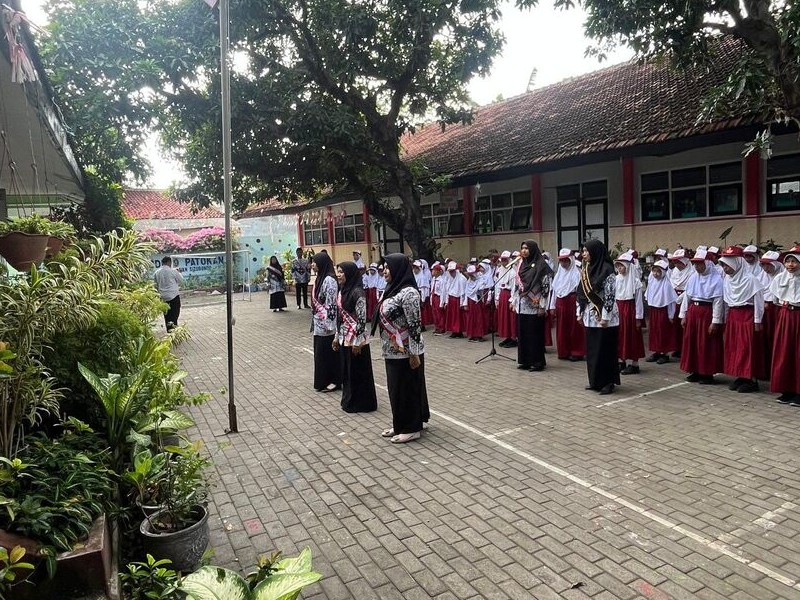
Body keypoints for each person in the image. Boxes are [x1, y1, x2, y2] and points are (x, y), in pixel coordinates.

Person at [371, 253, 429, 443]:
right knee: (396, 389)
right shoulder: (391, 289)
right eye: (384, 267)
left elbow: (415, 325)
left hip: (407, 352)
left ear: (398, 269)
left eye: (388, 267)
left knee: (406, 390)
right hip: (391, 350)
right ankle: (400, 424)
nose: (385, 271)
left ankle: (411, 428)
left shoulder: (409, 293)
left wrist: (413, 353)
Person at [719, 245, 765, 393]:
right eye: (723, 265)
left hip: (747, 316)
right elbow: (727, 301)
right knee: (735, 347)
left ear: (737, 263)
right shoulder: (728, 279)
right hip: (734, 316)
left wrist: (757, 320)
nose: (725, 269)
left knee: (747, 348)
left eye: (727, 265)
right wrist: (725, 319)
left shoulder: (751, 280)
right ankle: (740, 375)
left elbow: (759, 301)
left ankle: (751, 379)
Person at [333, 261, 378, 412]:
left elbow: (361, 319)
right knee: (347, 371)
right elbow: (340, 317)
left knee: (358, 371)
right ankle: (349, 400)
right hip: (344, 337)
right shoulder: (342, 291)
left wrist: (358, 342)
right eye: (338, 272)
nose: (338, 275)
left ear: (350, 274)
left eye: (341, 272)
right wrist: (336, 336)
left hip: (356, 339)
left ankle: (362, 403)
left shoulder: (358, 293)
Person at [577, 239, 620, 395]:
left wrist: (605, 317)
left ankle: (608, 382)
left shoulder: (607, 270)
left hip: (605, 317)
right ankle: (595, 381)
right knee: (593, 350)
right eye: (583, 251)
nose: (584, 254)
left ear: (595, 252)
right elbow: (581, 293)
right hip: (590, 315)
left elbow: (610, 296)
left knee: (605, 350)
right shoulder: (586, 269)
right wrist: (579, 312)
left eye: (586, 251)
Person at [679, 247, 724, 385]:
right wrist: (683, 314)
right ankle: (695, 370)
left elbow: (718, 301)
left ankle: (707, 373)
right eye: (695, 263)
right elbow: (687, 297)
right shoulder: (693, 278)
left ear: (708, 263)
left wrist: (715, 321)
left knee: (706, 343)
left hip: (706, 313)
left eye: (700, 263)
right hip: (693, 311)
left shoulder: (717, 280)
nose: (697, 266)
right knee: (692, 341)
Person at [511, 240, 552, 372]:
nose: (524, 251)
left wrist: (542, 306)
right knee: (523, 334)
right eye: (522, 248)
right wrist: (514, 301)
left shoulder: (541, 265)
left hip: (535, 304)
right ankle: (525, 360)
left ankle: (537, 362)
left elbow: (546, 287)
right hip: (522, 305)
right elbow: (517, 286)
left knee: (534, 334)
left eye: (527, 248)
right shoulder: (521, 265)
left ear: (533, 249)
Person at [769, 245, 800, 405]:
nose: (790, 265)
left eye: (794, 261)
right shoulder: (780, 278)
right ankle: (787, 389)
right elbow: (775, 299)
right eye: (788, 261)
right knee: (785, 351)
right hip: (785, 315)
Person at [311, 252, 341, 392]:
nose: (312, 265)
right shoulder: (319, 278)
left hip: (328, 326)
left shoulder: (329, 280)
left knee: (329, 355)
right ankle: (323, 381)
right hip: (319, 324)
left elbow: (332, 304)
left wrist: (330, 325)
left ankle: (334, 381)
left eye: (314, 262)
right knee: (320, 354)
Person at [548, 248, 584, 361]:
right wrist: (552, 306)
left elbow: (580, 291)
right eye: (561, 261)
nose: (563, 263)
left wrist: (580, 307)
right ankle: (564, 351)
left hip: (572, 302)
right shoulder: (559, 274)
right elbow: (554, 291)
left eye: (566, 260)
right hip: (560, 303)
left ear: (571, 260)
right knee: (562, 328)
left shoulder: (577, 273)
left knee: (574, 328)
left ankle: (576, 352)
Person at [614, 251, 645, 375]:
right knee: (620, 335)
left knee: (632, 336)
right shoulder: (616, 279)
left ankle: (634, 364)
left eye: (621, 265)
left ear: (627, 266)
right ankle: (621, 360)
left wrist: (638, 318)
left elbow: (638, 302)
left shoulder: (635, 282)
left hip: (630, 310)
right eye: (618, 266)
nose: (619, 268)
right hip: (619, 310)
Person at [644, 259, 678, 364]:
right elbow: (648, 296)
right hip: (654, 311)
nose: (655, 274)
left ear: (663, 272)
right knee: (654, 332)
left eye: (658, 271)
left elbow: (671, 301)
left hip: (663, 312)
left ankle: (665, 353)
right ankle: (656, 351)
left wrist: (671, 315)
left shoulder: (666, 284)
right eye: (654, 271)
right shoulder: (652, 283)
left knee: (663, 332)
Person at [759, 250, 784, 377]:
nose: (766, 268)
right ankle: (764, 369)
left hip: (777, 310)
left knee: (776, 338)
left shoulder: (783, 277)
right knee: (763, 338)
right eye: (763, 265)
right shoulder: (761, 277)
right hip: (763, 311)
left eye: (769, 265)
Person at [154, 256, 184, 332]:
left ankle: (169, 331)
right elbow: (181, 281)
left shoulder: (157, 272)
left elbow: (155, 285)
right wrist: (179, 273)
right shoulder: (173, 271)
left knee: (167, 316)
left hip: (163, 297)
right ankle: (175, 330)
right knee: (175, 315)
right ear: (169, 262)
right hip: (173, 296)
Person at [495, 251, 518, 348]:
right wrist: (497, 299)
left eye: (505, 260)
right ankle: (507, 336)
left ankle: (513, 338)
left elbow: (514, 288)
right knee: (504, 318)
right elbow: (498, 286)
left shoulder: (512, 272)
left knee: (511, 318)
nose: (503, 262)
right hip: (502, 295)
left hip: (509, 296)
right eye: (502, 260)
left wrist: (512, 300)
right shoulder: (500, 271)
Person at [442, 261, 466, 338]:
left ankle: (459, 331)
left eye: (452, 271)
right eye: (450, 271)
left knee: (458, 317)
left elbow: (463, 292)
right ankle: (453, 330)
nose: (451, 273)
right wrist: (446, 302)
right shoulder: (449, 279)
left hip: (458, 300)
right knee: (452, 316)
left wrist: (462, 303)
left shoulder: (461, 279)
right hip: (451, 299)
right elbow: (447, 290)